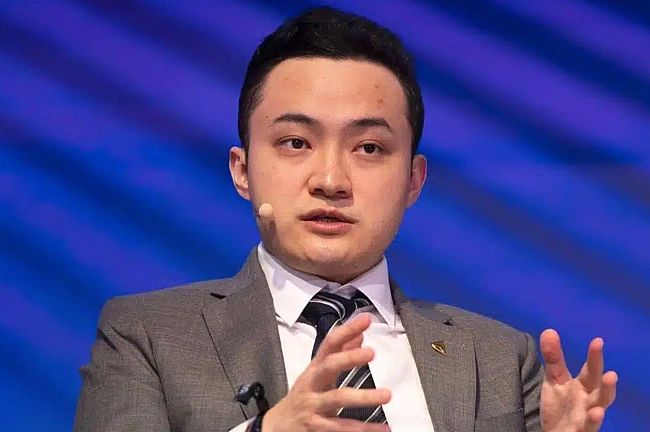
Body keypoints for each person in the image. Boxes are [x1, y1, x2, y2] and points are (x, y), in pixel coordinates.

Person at [73, 6, 617, 432]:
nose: (330, 179)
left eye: (369, 148)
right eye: (295, 142)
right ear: (242, 171)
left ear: (413, 180)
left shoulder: (498, 358)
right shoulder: (148, 335)